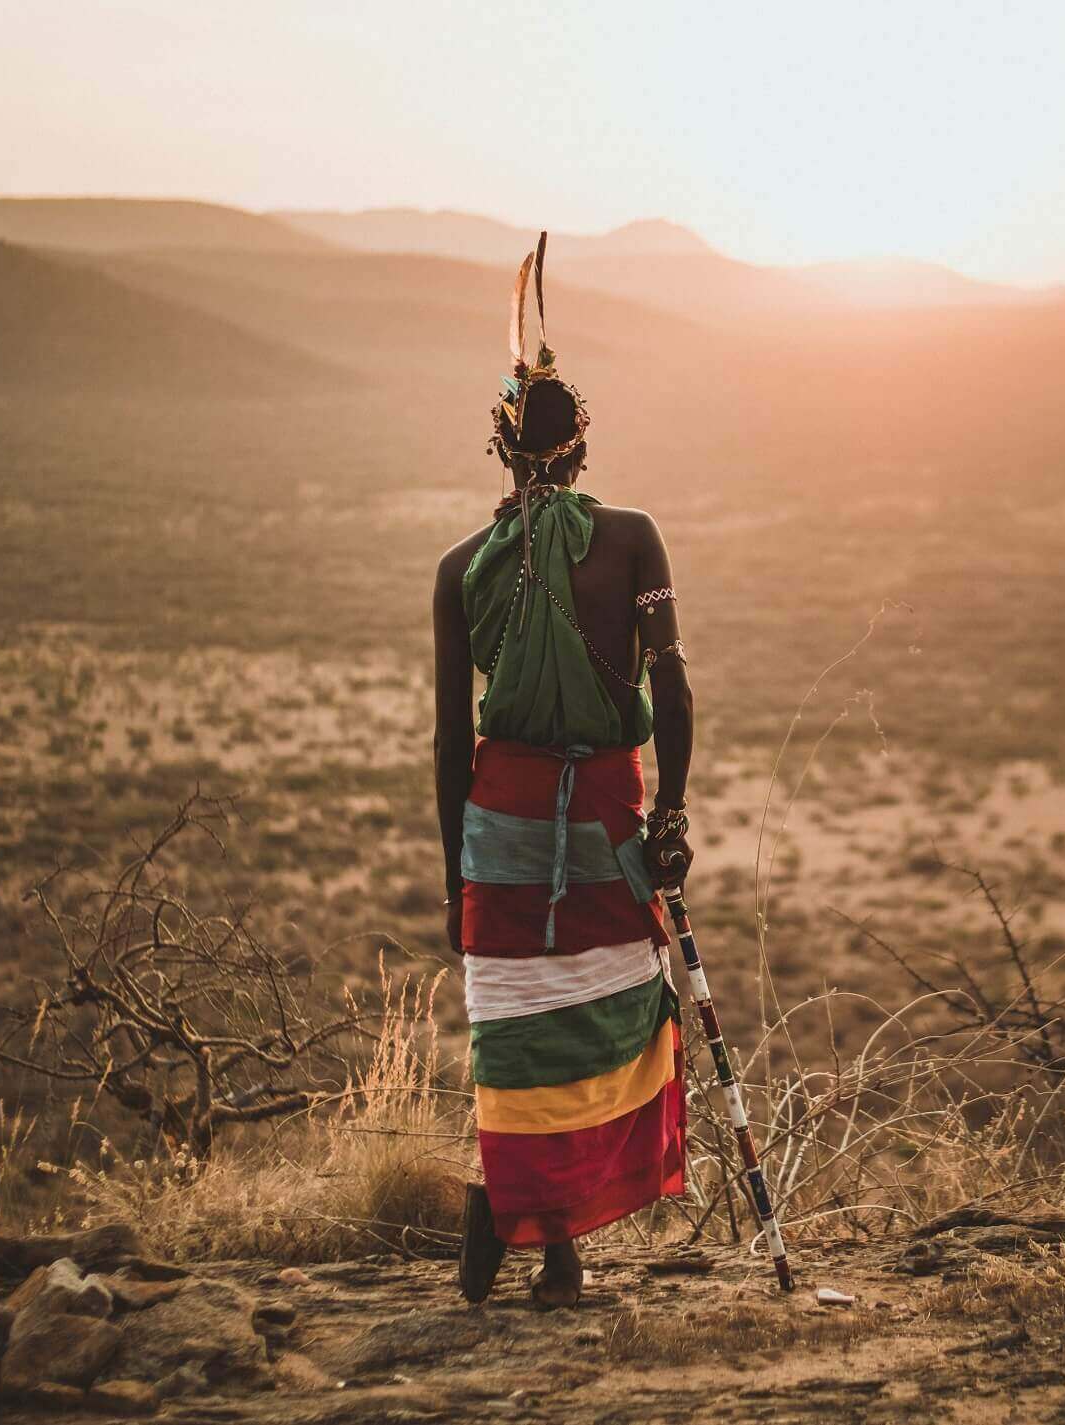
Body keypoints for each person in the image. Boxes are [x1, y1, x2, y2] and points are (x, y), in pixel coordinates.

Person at [432, 238, 693, 1307]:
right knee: (608, 1013)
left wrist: (458, 873)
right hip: (605, 810)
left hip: (500, 822)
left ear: (500, 452)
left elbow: (451, 741)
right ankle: (545, 1229)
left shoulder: (460, 572)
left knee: (517, 1025)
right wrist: (671, 814)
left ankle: (520, 1221)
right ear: (583, 448)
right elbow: (670, 685)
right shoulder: (633, 542)